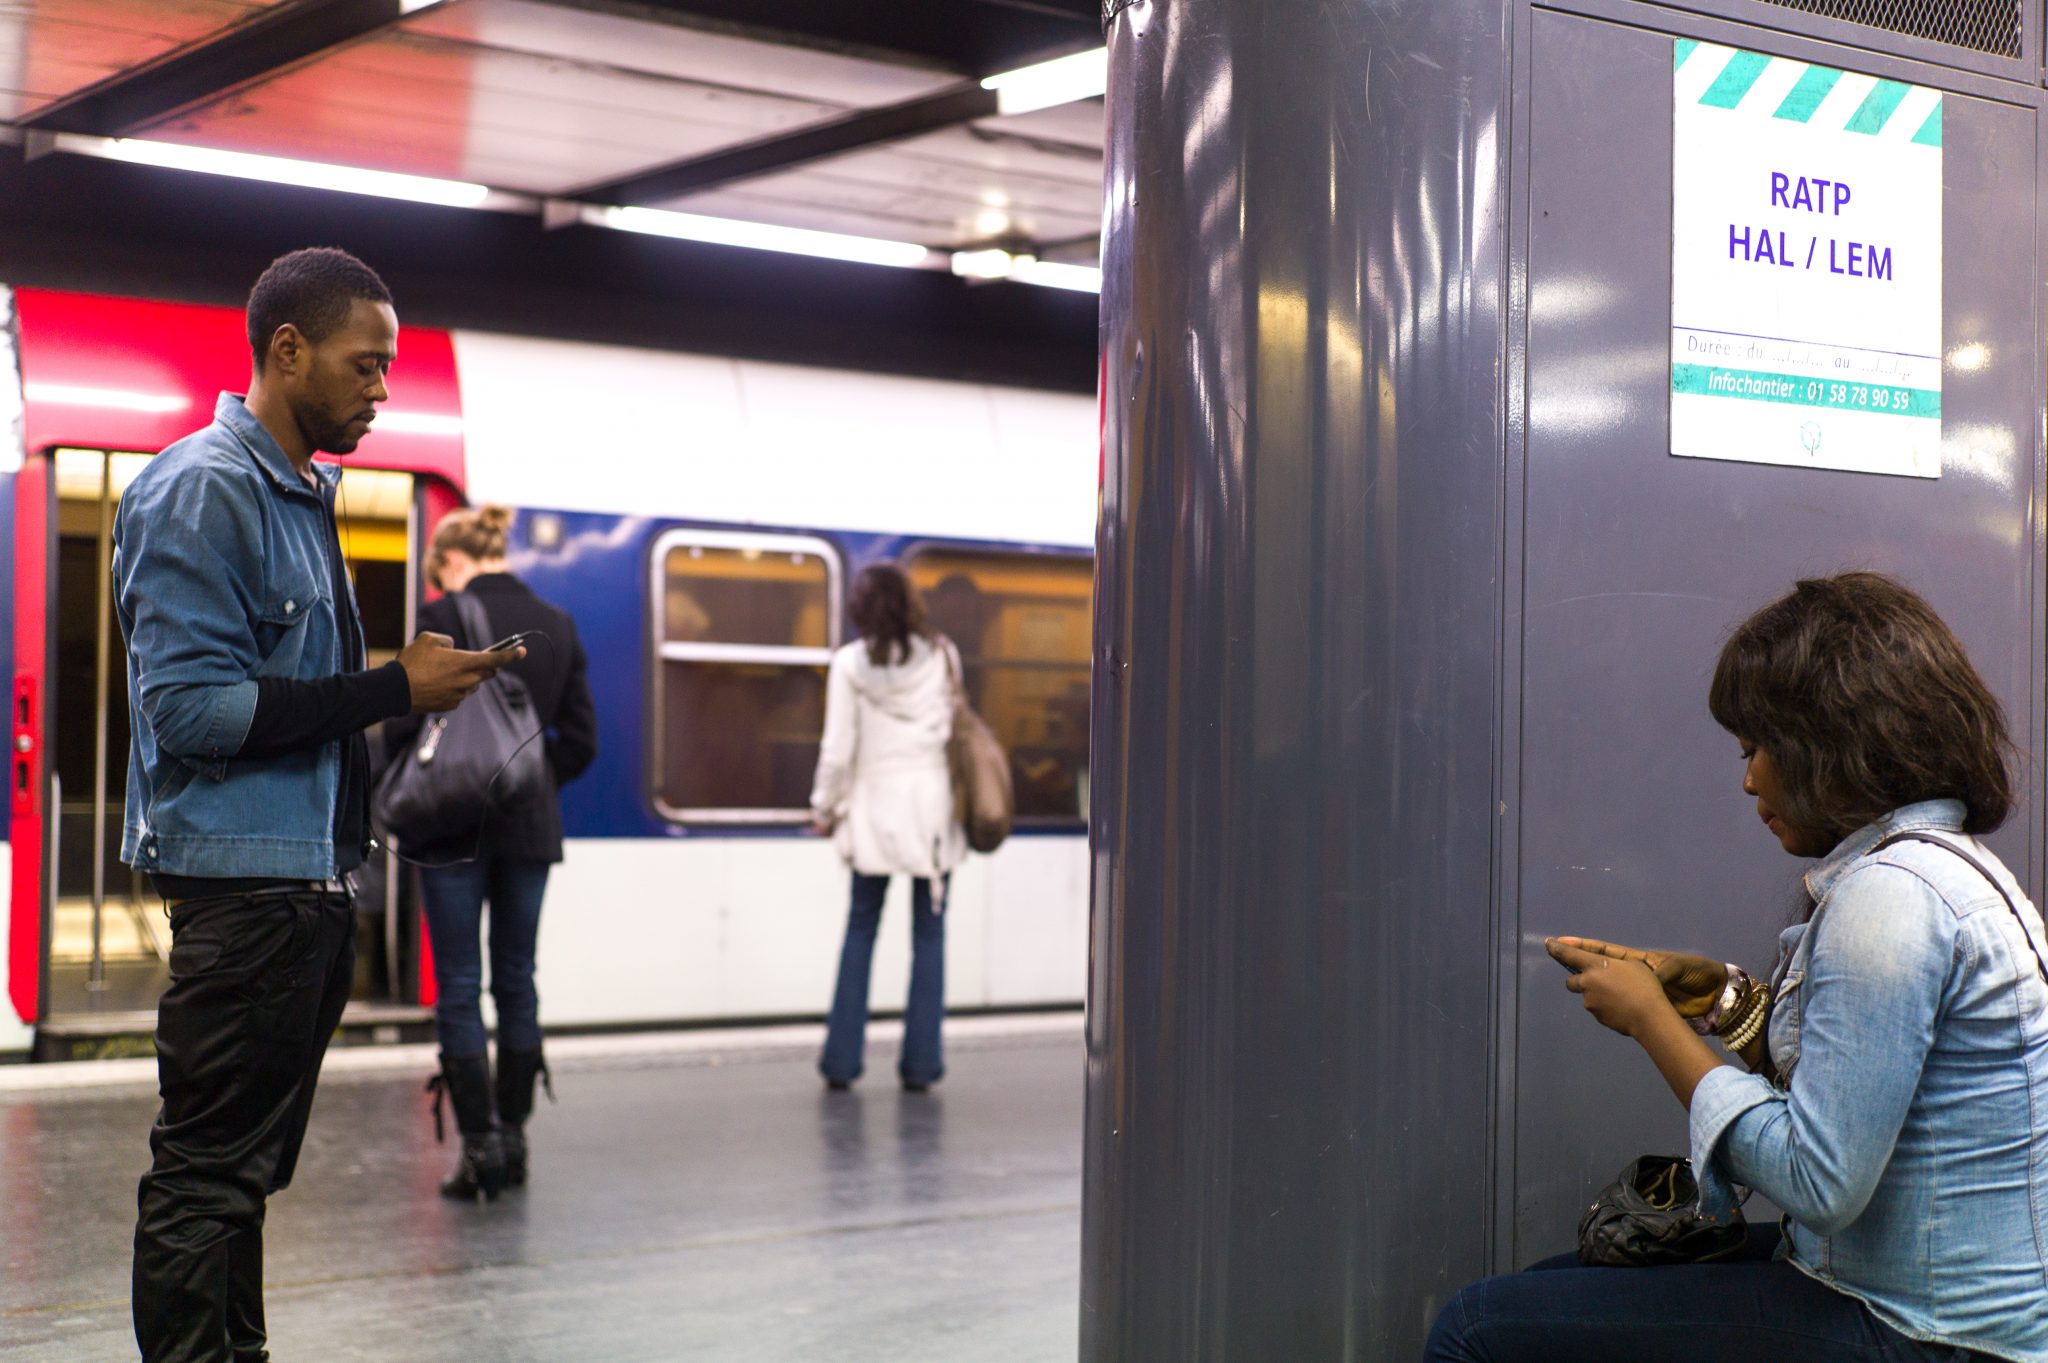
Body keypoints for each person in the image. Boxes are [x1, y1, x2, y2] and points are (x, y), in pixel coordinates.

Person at [1426, 572, 2048, 1363]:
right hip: (1926, 1305)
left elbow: (1819, 1182)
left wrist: (1653, 1024)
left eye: (1758, 747)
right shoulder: (1945, 870)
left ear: (1831, 740)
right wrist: (1723, 1002)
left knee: (1475, 1329)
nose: (1748, 778)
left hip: (1922, 1332)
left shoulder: (1890, 900)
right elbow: (1865, 1091)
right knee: (1561, 1278)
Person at [116, 247, 510, 1363]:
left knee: (240, 1181)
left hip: (301, 891)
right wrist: (396, 687)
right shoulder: (204, 489)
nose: (381, 389)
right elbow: (192, 711)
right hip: (250, 899)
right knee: (206, 1180)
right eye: (366, 364)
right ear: (286, 352)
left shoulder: (296, 492)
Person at [384, 505, 596, 1200]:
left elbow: (404, 727)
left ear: (449, 561)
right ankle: (515, 1137)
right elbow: (582, 741)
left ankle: (477, 1150)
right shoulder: (558, 624)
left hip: (450, 832)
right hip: (530, 830)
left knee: (459, 986)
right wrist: (527, 783)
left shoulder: (439, 613)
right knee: (517, 978)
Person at [811, 562, 967, 1092]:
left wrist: (822, 808)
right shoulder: (943, 655)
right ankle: (922, 1066)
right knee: (930, 936)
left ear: (859, 609)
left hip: (874, 811)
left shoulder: (849, 664)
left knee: (860, 929)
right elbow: (951, 732)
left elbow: (837, 751)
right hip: (932, 813)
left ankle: (841, 1063)